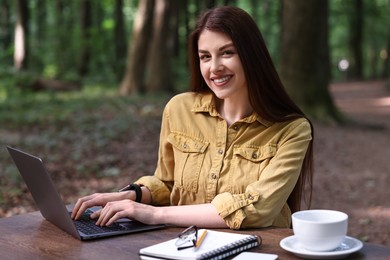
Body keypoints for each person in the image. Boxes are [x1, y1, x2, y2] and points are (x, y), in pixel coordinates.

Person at [72, 6, 314, 230]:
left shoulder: (292, 129)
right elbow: (167, 184)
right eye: (205, 57)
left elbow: (257, 209)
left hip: (259, 249)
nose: (214, 67)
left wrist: (153, 214)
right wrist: (131, 195)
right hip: (184, 247)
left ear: (252, 56)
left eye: (227, 53)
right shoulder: (179, 109)